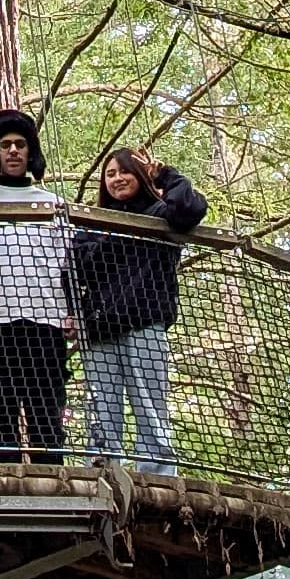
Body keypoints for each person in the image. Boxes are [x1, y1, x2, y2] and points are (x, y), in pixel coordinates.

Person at [68, 144, 209, 472]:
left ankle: (158, 474)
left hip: (144, 321)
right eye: (110, 174)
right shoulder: (93, 222)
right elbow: (79, 266)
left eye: (125, 171)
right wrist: (116, 237)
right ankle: (101, 470)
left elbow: (191, 208)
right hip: (100, 326)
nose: (117, 179)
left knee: (149, 402)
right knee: (102, 406)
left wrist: (165, 175)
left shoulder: (161, 213)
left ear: (140, 174)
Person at [0, 107, 72, 464]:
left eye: (20, 144)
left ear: (31, 152)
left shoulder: (53, 204)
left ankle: (55, 490)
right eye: (6, 145)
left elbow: (69, 264)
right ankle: (4, 491)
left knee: (46, 413)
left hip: (46, 322)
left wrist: (72, 311)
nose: (13, 151)